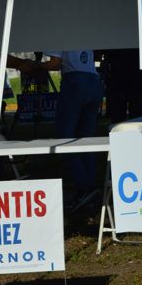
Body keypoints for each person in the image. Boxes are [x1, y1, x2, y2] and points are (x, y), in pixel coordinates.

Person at [38, 50, 103, 206]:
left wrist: (34, 66)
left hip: (74, 81)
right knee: (86, 139)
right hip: (94, 81)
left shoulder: (59, 30)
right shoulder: (82, 26)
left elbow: (55, 62)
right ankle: (91, 187)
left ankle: (83, 186)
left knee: (64, 140)